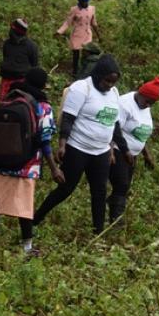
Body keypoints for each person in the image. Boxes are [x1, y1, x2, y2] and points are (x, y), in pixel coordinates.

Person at [33, 55, 127, 235]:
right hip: (78, 147)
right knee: (66, 188)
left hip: (101, 151)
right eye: (107, 81)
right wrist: (62, 144)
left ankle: (97, 232)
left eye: (113, 82)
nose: (109, 85)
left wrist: (118, 148)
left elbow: (114, 124)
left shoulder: (114, 93)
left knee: (99, 192)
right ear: (98, 74)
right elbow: (68, 117)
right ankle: (36, 218)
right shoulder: (82, 88)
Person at [0, 68, 65, 255]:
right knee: (24, 206)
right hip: (26, 164)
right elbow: (45, 140)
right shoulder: (43, 107)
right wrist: (54, 169)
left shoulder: (7, 100)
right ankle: (27, 247)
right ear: (42, 86)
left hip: (0, 161)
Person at [107, 77, 159, 223]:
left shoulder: (145, 106)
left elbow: (140, 132)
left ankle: (113, 208)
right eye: (147, 101)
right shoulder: (125, 104)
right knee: (121, 184)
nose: (148, 105)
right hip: (119, 150)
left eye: (152, 103)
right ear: (141, 93)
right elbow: (114, 129)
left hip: (133, 153)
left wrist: (147, 154)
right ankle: (116, 220)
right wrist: (120, 151)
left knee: (125, 186)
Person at [57, 0, 100, 78]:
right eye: (83, 1)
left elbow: (94, 23)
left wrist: (99, 35)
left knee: (87, 53)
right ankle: (75, 71)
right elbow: (67, 22)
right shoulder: (74, 10)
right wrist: (59, 31)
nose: (85, 3)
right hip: (77, 34)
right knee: (76, 54)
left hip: (87, 34)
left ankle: (85, 71)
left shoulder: (92, 9)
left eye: (86, 1)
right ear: (79, 0)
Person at [0, 19, 39, 102]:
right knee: (4, 103)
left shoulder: (31, 46)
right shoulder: (7, 44)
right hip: (6, 79)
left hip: (22, 81)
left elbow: (34, 65)